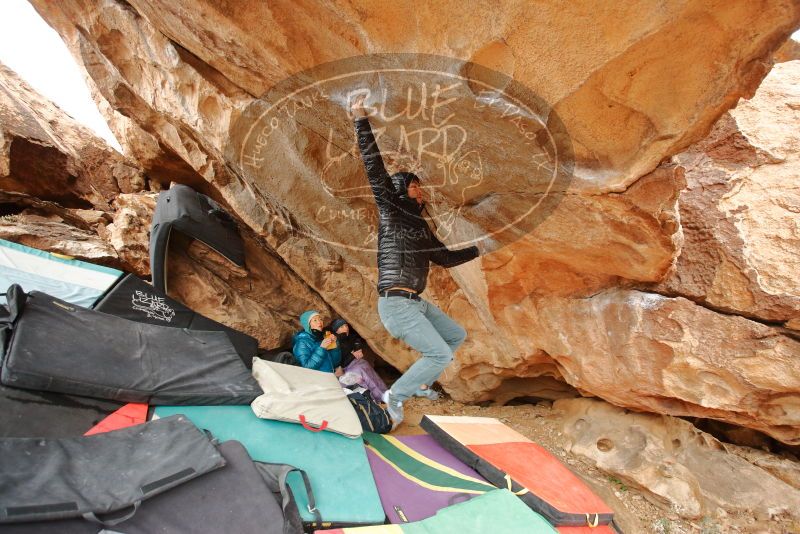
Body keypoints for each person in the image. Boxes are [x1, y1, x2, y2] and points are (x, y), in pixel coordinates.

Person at [351, 95, 480, 429]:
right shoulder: (390, 210)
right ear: (400, 190)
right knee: (440, 354)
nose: (420, 193)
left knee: (455, 336)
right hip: (395, 303)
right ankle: (395, 396)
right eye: (414, 187)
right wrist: (359, 118)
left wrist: (482, 248)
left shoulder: (421, 228)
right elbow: (373, 165)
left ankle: (419, 382)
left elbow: (447, 259)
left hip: (415, 304)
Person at [328, 318, 388, 400]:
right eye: (341, 327)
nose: (345, 328)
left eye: (346, 325)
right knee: (361, 372)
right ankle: (375, 398)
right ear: (336, 330)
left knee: (365, 365)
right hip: (344, 370)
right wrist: (353, 355)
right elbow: (339, 360)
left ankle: (383, 394)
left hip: (355, 363)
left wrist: (357, 348)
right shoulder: (335, 341)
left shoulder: (349, 337)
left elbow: (356, 340)